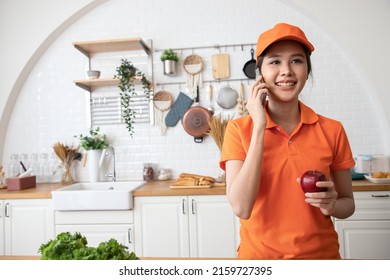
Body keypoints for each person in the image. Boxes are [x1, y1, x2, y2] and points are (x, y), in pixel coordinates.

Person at [220, 23, 355, 259]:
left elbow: (348, 205)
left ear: (307, 70)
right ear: (259, 74)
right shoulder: (238, 130)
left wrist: (332, 205)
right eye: (275, 62)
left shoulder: (332, 129)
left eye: (296, 60)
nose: (286, 71)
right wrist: (259, 126)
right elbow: (241, 207)